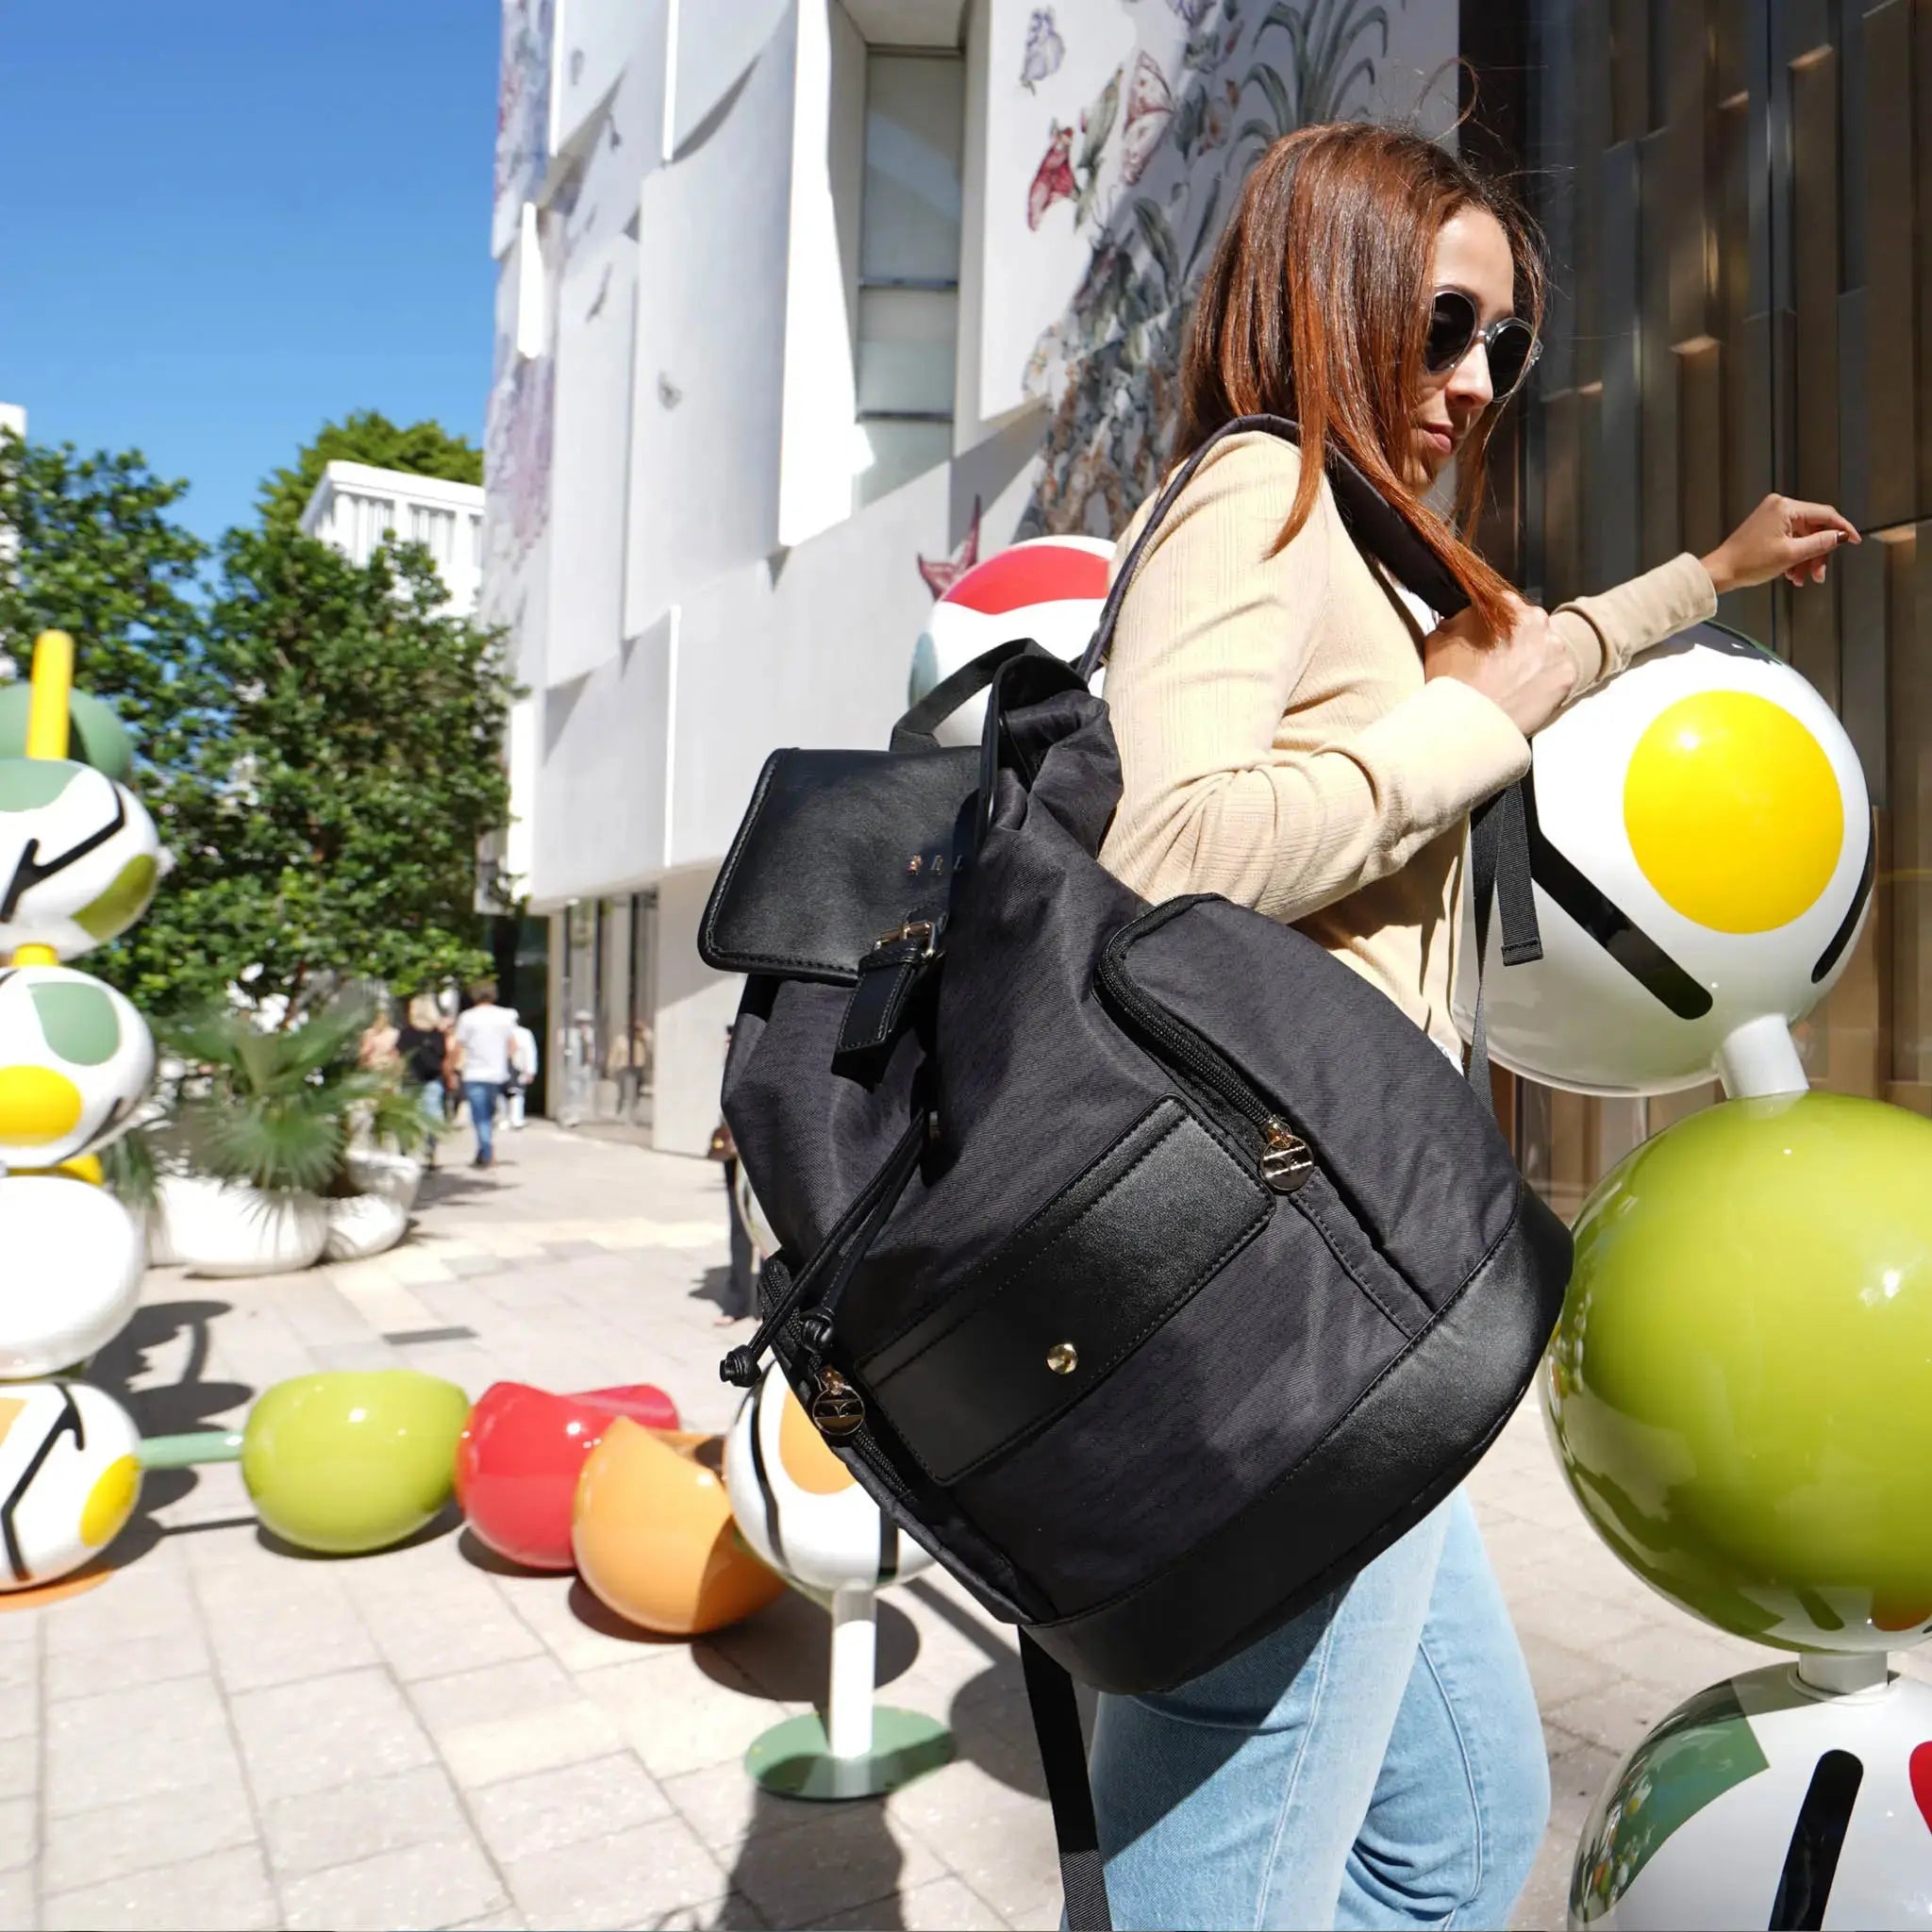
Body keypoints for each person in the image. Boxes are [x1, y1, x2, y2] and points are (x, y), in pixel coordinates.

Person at [1089, 122, 1855, 1930]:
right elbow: (1155, 849)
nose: (1471, 380)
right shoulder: (1251, 494)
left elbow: (1529, 657)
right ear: (1323, 284)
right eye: (1443, 324)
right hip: (1267, 1315)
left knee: (1456, 1830)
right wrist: (1456, 733)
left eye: (1502, 345)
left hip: (1358, 1302)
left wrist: (1700, 577)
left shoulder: (1358, 545)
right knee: (1223, 1887)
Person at [451, 979, 522, 1170]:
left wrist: (452, 1068)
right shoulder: (504, 1016)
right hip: (497, 1073)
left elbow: (458, 1045)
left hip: (474, 1072)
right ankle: (485, 1151)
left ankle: (486, 1152)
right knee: (488, 1114)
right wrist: (501, 1058)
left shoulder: (467, 1017)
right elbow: (513, 1046)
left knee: (479, 1115)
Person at [395, 995, 450, 1167]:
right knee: (433, 1116)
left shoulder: (406, 1033)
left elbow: (400, 1057)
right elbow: (444, 1055)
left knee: (406, 1116)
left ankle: (403, 1151)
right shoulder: (438, 1034)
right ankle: (431, 1152)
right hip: (432, 1078)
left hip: (410, 1079)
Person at [507, 1018, 539, 1128]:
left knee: (517, 1092)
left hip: (517, 1067)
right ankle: (508, 1118)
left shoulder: (524, 1034)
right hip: (503, 1067)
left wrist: (530, 1070)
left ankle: (516, 1118)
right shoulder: (499, 1031)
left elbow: (530, 1053)